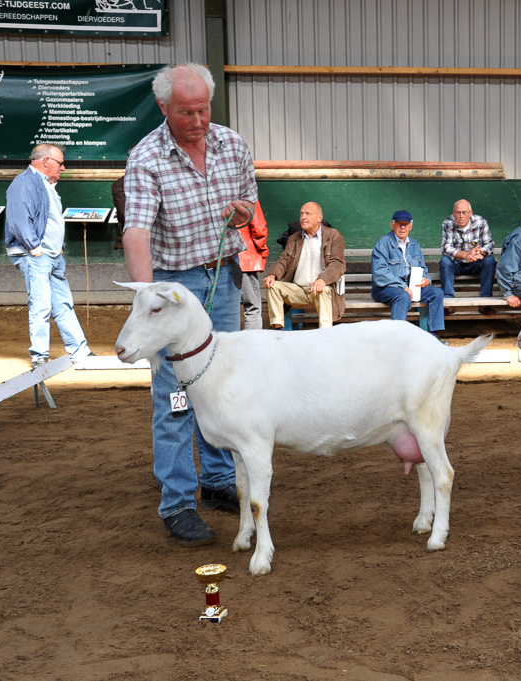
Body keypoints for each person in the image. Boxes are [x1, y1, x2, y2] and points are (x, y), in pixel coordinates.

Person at [122, 63, 258, 548]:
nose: (198, 120)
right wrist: (148, 296)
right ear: (163, 108)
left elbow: (248, 202)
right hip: (173, 284)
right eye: (186, 112)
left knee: (219, 385)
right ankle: (177, 501)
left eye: (203, 109)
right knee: (173, 395)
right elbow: (136, 229)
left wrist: (242, 212)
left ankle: (218, 481)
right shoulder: (146, 158)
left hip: (221, 278)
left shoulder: (233, 144)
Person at [4, 143, 94, 368]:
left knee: (63, 304)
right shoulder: (24, 182)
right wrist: (35, 248)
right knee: (41, 304)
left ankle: (80, 351)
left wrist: (54, 248)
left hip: (52, 255)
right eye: (60, 163)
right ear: (45, 161)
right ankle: (39, 356)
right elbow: (18, 219)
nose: (63, 168)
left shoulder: (47, 185)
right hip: (36, 255)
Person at [263, 201, 345, 329]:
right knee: (273, 286)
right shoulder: (294, 238)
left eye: (308, 214)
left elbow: (337, 264)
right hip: (297, 290)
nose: (303, 217)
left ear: (319, 218)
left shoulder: (333, 235)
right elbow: (283, 260)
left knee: (323, 289)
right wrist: (272, 275)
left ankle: (326, 332)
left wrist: (322, 279)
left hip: (318, 290)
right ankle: (279, 329)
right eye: (301, 214)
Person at [371, 209, 446, 338]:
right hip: (385, 288)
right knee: (403, 296)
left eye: (405, 224)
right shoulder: (383, 243)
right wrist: (402, 286)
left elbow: (422, 267)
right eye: (399, 224)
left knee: (437, 293)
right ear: (392, 224)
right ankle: (397, 337)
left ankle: (433, 336)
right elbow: (380, 273)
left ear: (411, 226)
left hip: (411, 287)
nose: (402, 227)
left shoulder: (414, 244)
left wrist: (426, 279)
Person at [439, 199, 496, 298]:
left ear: (470, 213)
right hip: (457, 264)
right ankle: (448, 300)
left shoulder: (481, 222)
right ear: (454, 213)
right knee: (445, 261)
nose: (461, 216)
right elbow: (446, 247)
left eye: (464, 213)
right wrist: (465, 255)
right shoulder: (448, 223)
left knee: (490, 261)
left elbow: (489, 245)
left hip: (476, 262)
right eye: (458, 213)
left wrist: (479, 253)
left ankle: (485, 301)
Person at [238, 200, 269, 329]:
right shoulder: (247, 194)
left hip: (216, 260)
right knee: (252, 307)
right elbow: (259, 227)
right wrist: (262, 251)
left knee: (224, 307)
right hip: (246, 258)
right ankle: (253, 345)